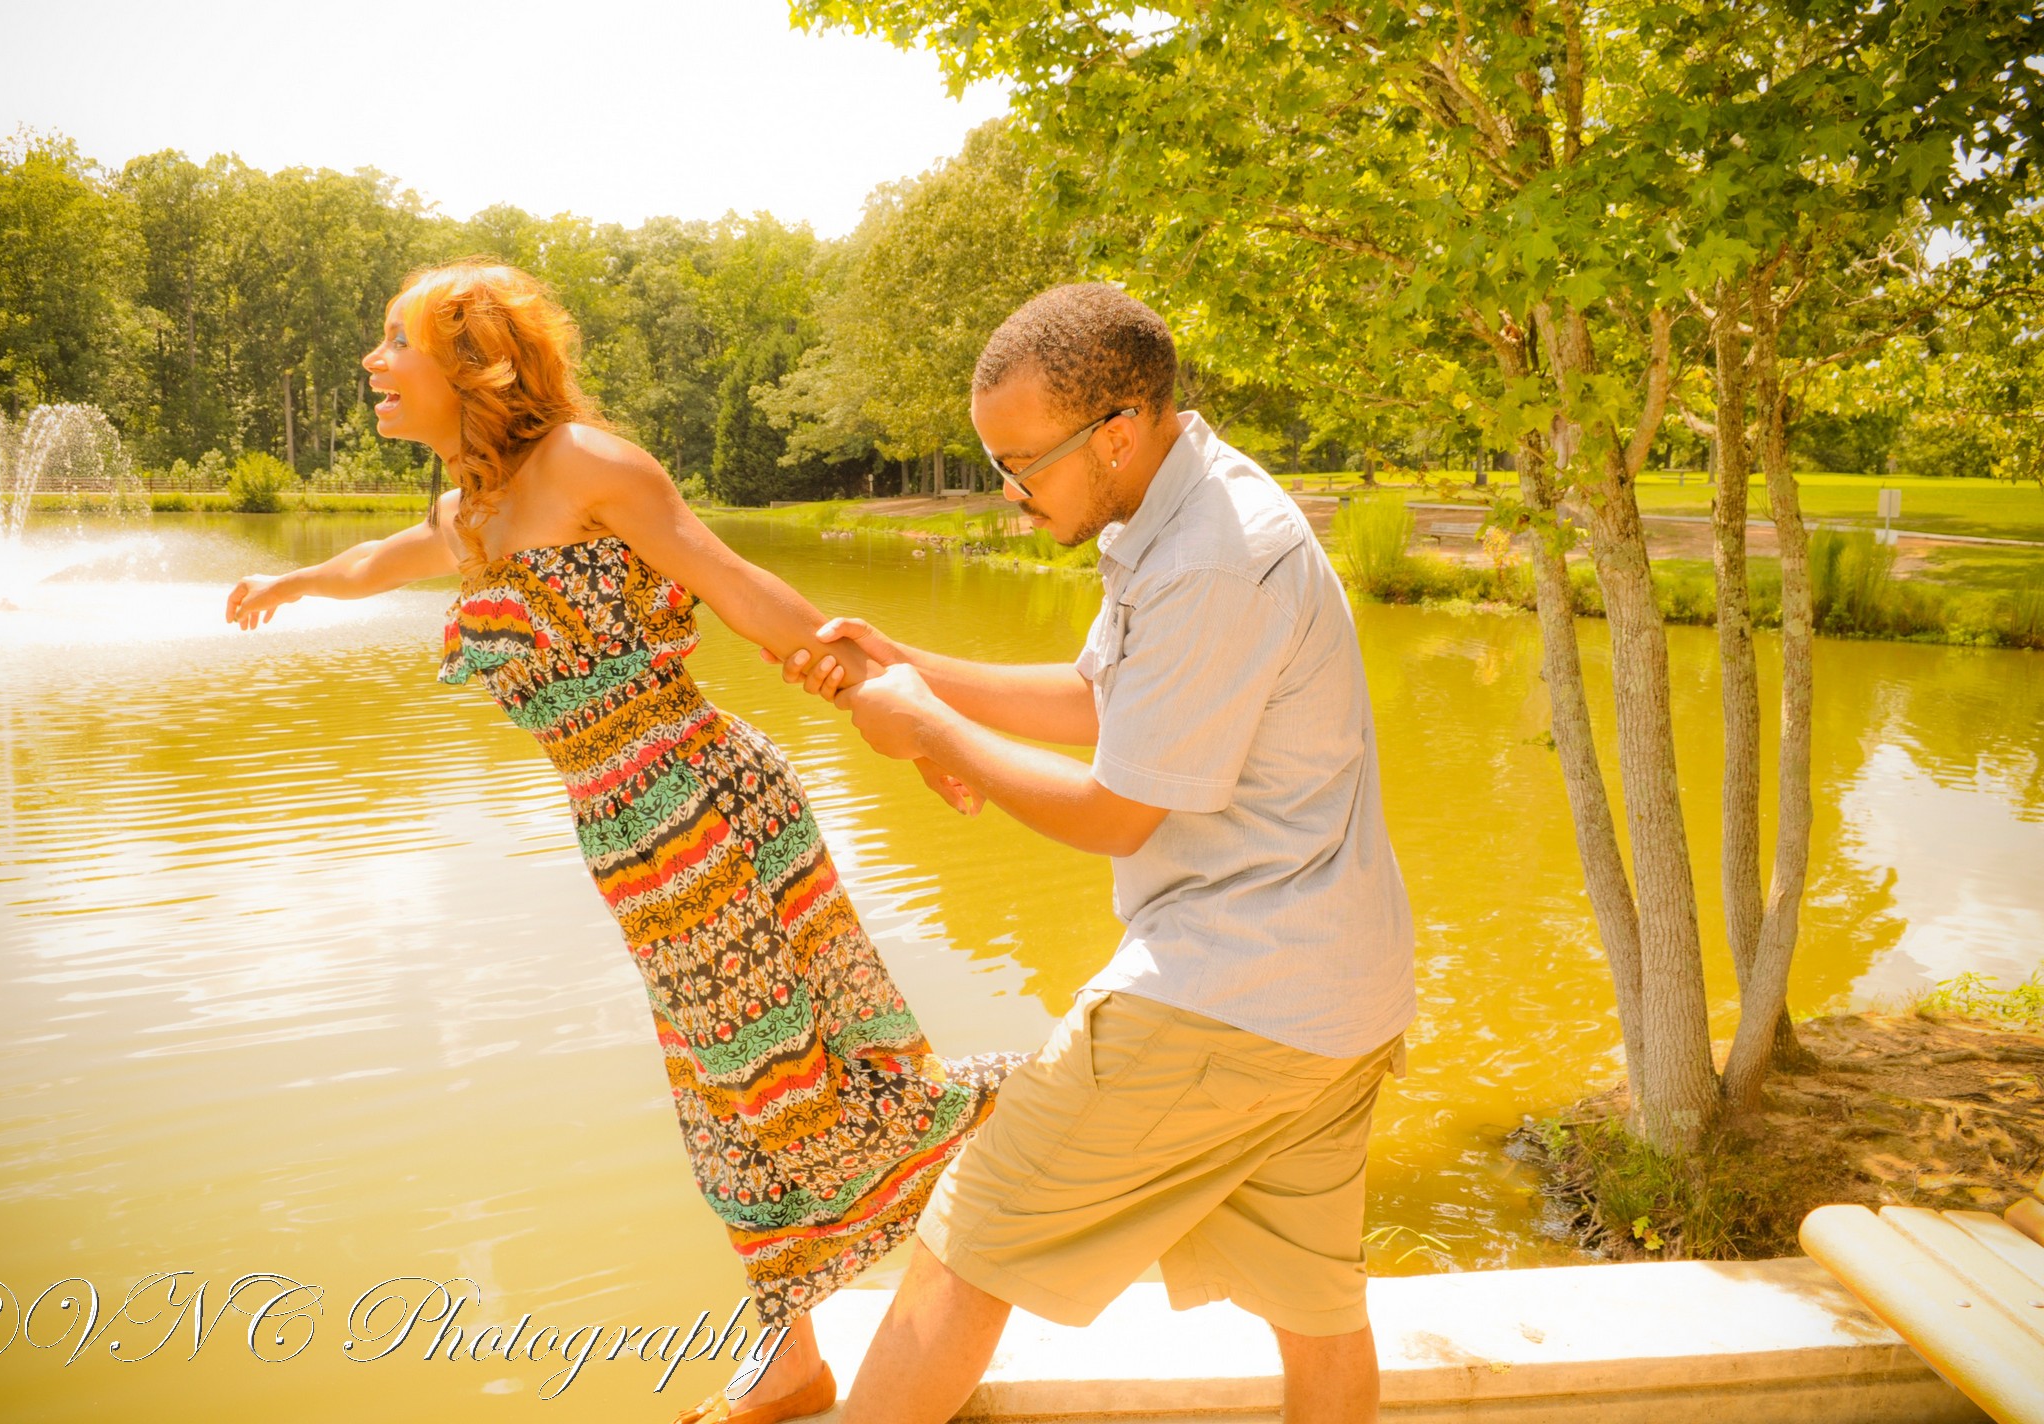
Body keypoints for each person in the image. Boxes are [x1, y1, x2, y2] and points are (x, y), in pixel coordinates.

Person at [222, 260, 1020, 1424]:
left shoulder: (586, 466)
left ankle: (1033, 1113)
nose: (371, 360)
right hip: (627, 837)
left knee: (777, 1082)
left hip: (699, 804)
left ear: (473, 363)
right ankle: (792, 1358)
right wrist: (293, 580)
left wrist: (920, 726)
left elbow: (746, 592)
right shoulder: (470, 511)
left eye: (395, 339)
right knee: (720, 1101)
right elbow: (375, 562)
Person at [776, 282, 1417, 1424]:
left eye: (1020, 463)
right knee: (1317, 1308)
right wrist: (908, 663)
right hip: (1334, 1000)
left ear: (1114, 432)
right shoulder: (1184, 508)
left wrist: (927, 728)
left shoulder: (1209, 558)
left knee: (969, 1233)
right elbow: (1098, 699)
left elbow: (1118, 810)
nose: (1007, 491)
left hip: (1231, 993)